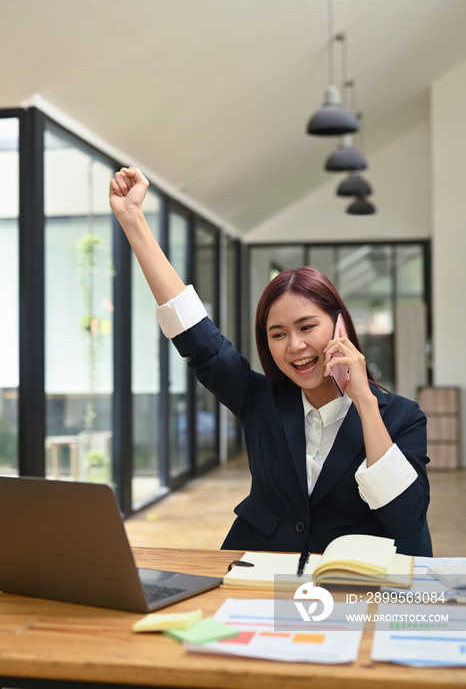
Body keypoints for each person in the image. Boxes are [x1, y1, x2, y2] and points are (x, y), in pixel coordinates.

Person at [109, 166, 430, 555]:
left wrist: (364, 401)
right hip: (262, 570)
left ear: (339, 325)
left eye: (307, 327)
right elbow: (197, 336)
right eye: (277, 334)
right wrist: (133, 221)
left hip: (351, 586)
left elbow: (406, 518)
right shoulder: (260, 400)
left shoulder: (401, 417)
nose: (294, 346)